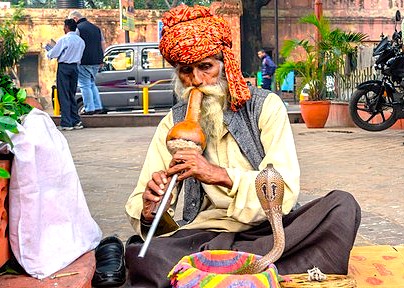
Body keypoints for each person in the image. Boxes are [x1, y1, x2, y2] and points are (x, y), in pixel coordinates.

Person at [124, 4, 361, 288]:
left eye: (206, 67)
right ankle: (255, 269)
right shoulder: (171, 124)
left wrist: (218, 174)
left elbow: (284, 190)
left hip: (272, 231)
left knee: (341, 208)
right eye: (186, 71)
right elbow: (144, 203)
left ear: (226, 64)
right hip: (205, 236)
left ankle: (213, 272)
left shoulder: (265, 107)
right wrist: (151, 211)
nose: (197, 80)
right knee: (143, 254)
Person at [46, 18, 85, 131]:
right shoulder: (80, 41)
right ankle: (76, 121)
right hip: (75, 67)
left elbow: (54, 53)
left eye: (64, 26)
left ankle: (67, 123)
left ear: (67, 27)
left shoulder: (64, 39)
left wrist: (48, 52)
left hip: (64, 67)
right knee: (71, 94)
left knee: (63, 94)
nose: (63, 28)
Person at [68, 10, 105, 115]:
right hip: (97, 61)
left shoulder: (78, 29)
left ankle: (89, 108)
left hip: (83, 61)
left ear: (75, 19)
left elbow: (74, 43)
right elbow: (103, 44)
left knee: (84, 85)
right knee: (92, 84)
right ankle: (98, 107)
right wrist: (102, 58)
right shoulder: (97, 28)